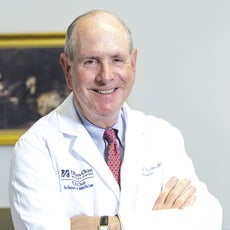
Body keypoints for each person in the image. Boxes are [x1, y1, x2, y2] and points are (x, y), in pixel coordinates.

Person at [9, 10, 222, 230]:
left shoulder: (163, 136)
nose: (106, 76)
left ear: (133, 64)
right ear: (67, 68)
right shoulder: (35, 149)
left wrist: (111, 225)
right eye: (91, 61)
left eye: (117, 59)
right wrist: (160, 221)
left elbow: (208, 219)